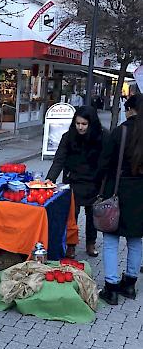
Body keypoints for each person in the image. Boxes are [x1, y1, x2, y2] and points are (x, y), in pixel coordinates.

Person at [96, 93, 143, 305]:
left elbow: (103, 163)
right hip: (141, 193)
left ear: (131, 109)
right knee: (135, 239)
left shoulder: (120, 132)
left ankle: (111, 288)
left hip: (118, 190)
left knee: (111, 239)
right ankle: (130, 285)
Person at [46, 106, 107, 258]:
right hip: (73, 180)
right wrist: (50, 179)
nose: (80, 127)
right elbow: (59, 160)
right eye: (78, 123)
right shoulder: (68, 136)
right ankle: (70, 244)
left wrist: (106, 184)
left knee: (92, 214)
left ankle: (91, 243)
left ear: (91, 123)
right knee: (71, 216)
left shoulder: (103, 136)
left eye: (84, 124)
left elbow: (107, 161)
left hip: (94, 182)